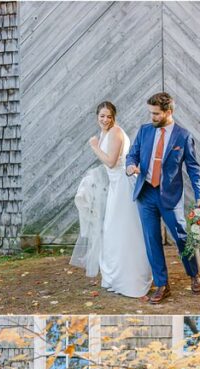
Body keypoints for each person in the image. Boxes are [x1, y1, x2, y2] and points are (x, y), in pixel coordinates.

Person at [126, 92, 200, 304]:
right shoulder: (144, 131)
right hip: (145, 193)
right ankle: (162, 285)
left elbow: (194, 169)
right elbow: (132, 154)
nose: (151, 117)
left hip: (170, 197)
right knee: (152, 241)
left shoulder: (183, 136)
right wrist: (130, 166)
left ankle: (194, 275)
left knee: (181, 238)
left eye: (155, 113)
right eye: (150, 112)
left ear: (168, 112)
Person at [70, 101, 152, 298]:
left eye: (109, 116)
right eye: (102, 116)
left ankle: (131, 279)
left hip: (124, 186)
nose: (105, 120)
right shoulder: (104, 132)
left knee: (123, 231)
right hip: (116, 186)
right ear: (97, 116)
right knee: (113, 232)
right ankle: (114, 278)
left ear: (114, 116)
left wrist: (94, 146)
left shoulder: (115, 132)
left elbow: (111, 161)